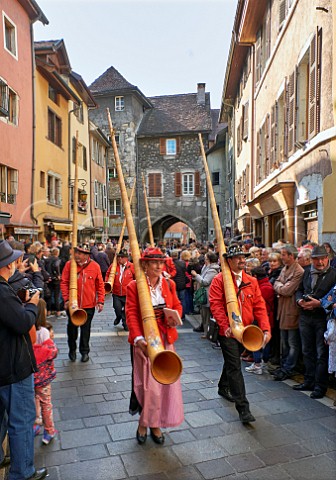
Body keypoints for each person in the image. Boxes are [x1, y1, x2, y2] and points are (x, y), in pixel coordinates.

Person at [125, 247, 184, 444]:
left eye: (161, 262)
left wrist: (174, 317)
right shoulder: (134, 286)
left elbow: (177, 306)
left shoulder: (169, 284)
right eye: (154, 262)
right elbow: (131, 314)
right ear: (145, 265)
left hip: (166, 338)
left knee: (164, 384)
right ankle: (145, 423)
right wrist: (138, 339)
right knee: (147, 386)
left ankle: (156, 424)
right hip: (145, 341)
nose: (159, 266)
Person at [0, 240, 48, 480]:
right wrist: (31, 305)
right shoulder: (1, 290)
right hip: (12, 366)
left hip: (3, 365)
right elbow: (21, 323)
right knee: (21, 420)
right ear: (6, 265)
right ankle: (22, 472)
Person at [209, 244, 271, 424]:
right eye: (238, 257)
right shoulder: (219, 280)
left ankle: (223, 386)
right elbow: (216, 305)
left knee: (232, 361)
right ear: (229, 261)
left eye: (243, 257)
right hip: (228, 332)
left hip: (245, 331)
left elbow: (260, 306)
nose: (242, 260)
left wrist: (266, 329)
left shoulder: (251, 280)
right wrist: (224, 325)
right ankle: (243, 409)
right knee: (235, 366)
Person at [294, 245, 336, 398]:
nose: (320, 262)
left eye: (323, 259)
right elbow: (299, 290)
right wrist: (299, 301)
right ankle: (308, 381)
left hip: (321, 318)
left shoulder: (333, 274)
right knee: (307, 351)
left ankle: (320, 386)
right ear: (311, 260)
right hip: (305, 316)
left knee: (321, 354)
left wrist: (319, 303)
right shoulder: (306, 272)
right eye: (316, 259)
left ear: (328, 258)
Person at [61, 244, 105, 363]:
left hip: (88, 305)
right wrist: (66, 299)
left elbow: (100, 284)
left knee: (86, 330)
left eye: (80, 253)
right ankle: (72, 350)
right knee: (72, 329)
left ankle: (85, 352)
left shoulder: (95, 266)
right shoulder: (69, 265)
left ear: (86, 255)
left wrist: (100, 300)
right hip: (73, 305)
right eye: (76, 252)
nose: (77, 255)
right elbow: (64, 282)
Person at [272, 245, 304, 381]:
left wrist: (280, 288)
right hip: (283, 309)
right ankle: (284, 365)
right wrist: (281, 288)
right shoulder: (285, 269)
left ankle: (289, 367)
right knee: (284, 341)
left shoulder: (298, 271)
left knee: (292, 342)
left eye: (284, 254)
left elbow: (287, 290)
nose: (282, 257)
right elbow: (277, 284)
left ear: (291, 256)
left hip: (291, 311)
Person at [33, 299, 58, 445]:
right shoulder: (43, 331)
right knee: (46, 403)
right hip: (43, 377)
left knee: (33, 400)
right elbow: (51, 352)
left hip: (29, 376)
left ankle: (36, 423)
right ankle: (49, 431)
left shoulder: (25, 330)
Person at [245, 267, 274, 375]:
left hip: (260, 318)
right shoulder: (267, 285)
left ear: (255, 276)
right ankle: (263, 363)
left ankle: (257, 364)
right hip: (268, 317)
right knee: (266, 341)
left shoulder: (261, 288)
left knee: (255, 340)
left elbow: (255, 303)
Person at [191, 251, 220, 337]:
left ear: (210, 260)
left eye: (206, 259)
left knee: (207, 315)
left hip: (208, 295)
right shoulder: (206, 267)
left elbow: (205, 282)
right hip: (203, 294)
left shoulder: (213, 270)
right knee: (203, 314)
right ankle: (205, 331)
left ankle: (207, 333)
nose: (205, 261)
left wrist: (196, 275)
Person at [105, 249, 135, 331]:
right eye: (118, 257)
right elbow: (108, 274)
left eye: (121, 257)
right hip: (116, 293)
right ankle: (118, 317)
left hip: (127, 293)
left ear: (126, 258)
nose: (119, 259)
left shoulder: (132, 266)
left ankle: (125, 324)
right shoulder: (114, 266)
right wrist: (108, 282)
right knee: (117, 308)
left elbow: (136, 278)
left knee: (126, 310)